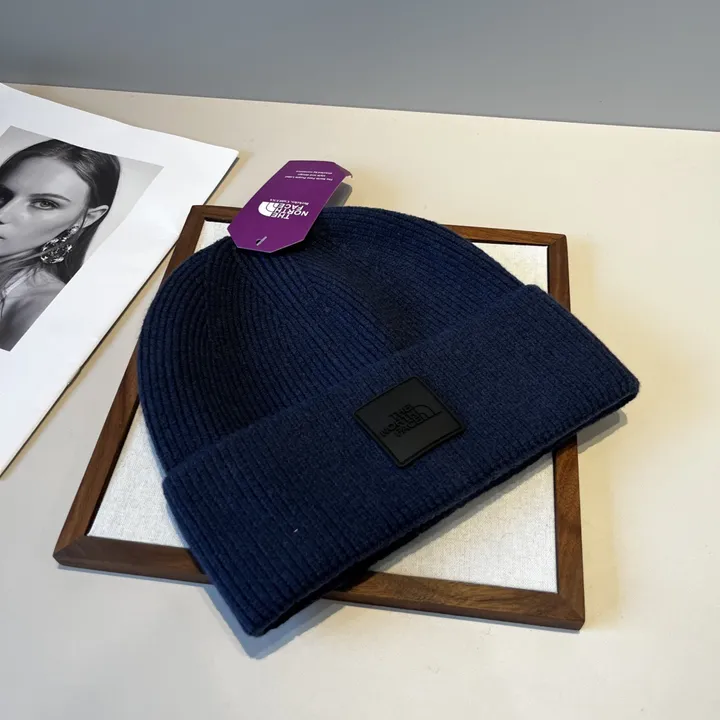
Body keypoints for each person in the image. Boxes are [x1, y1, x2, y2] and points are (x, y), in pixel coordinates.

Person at [0, 139, 121, 351]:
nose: (3, 214)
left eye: (45, 203)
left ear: (87, 218)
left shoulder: (42, 309)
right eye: (2, 194)